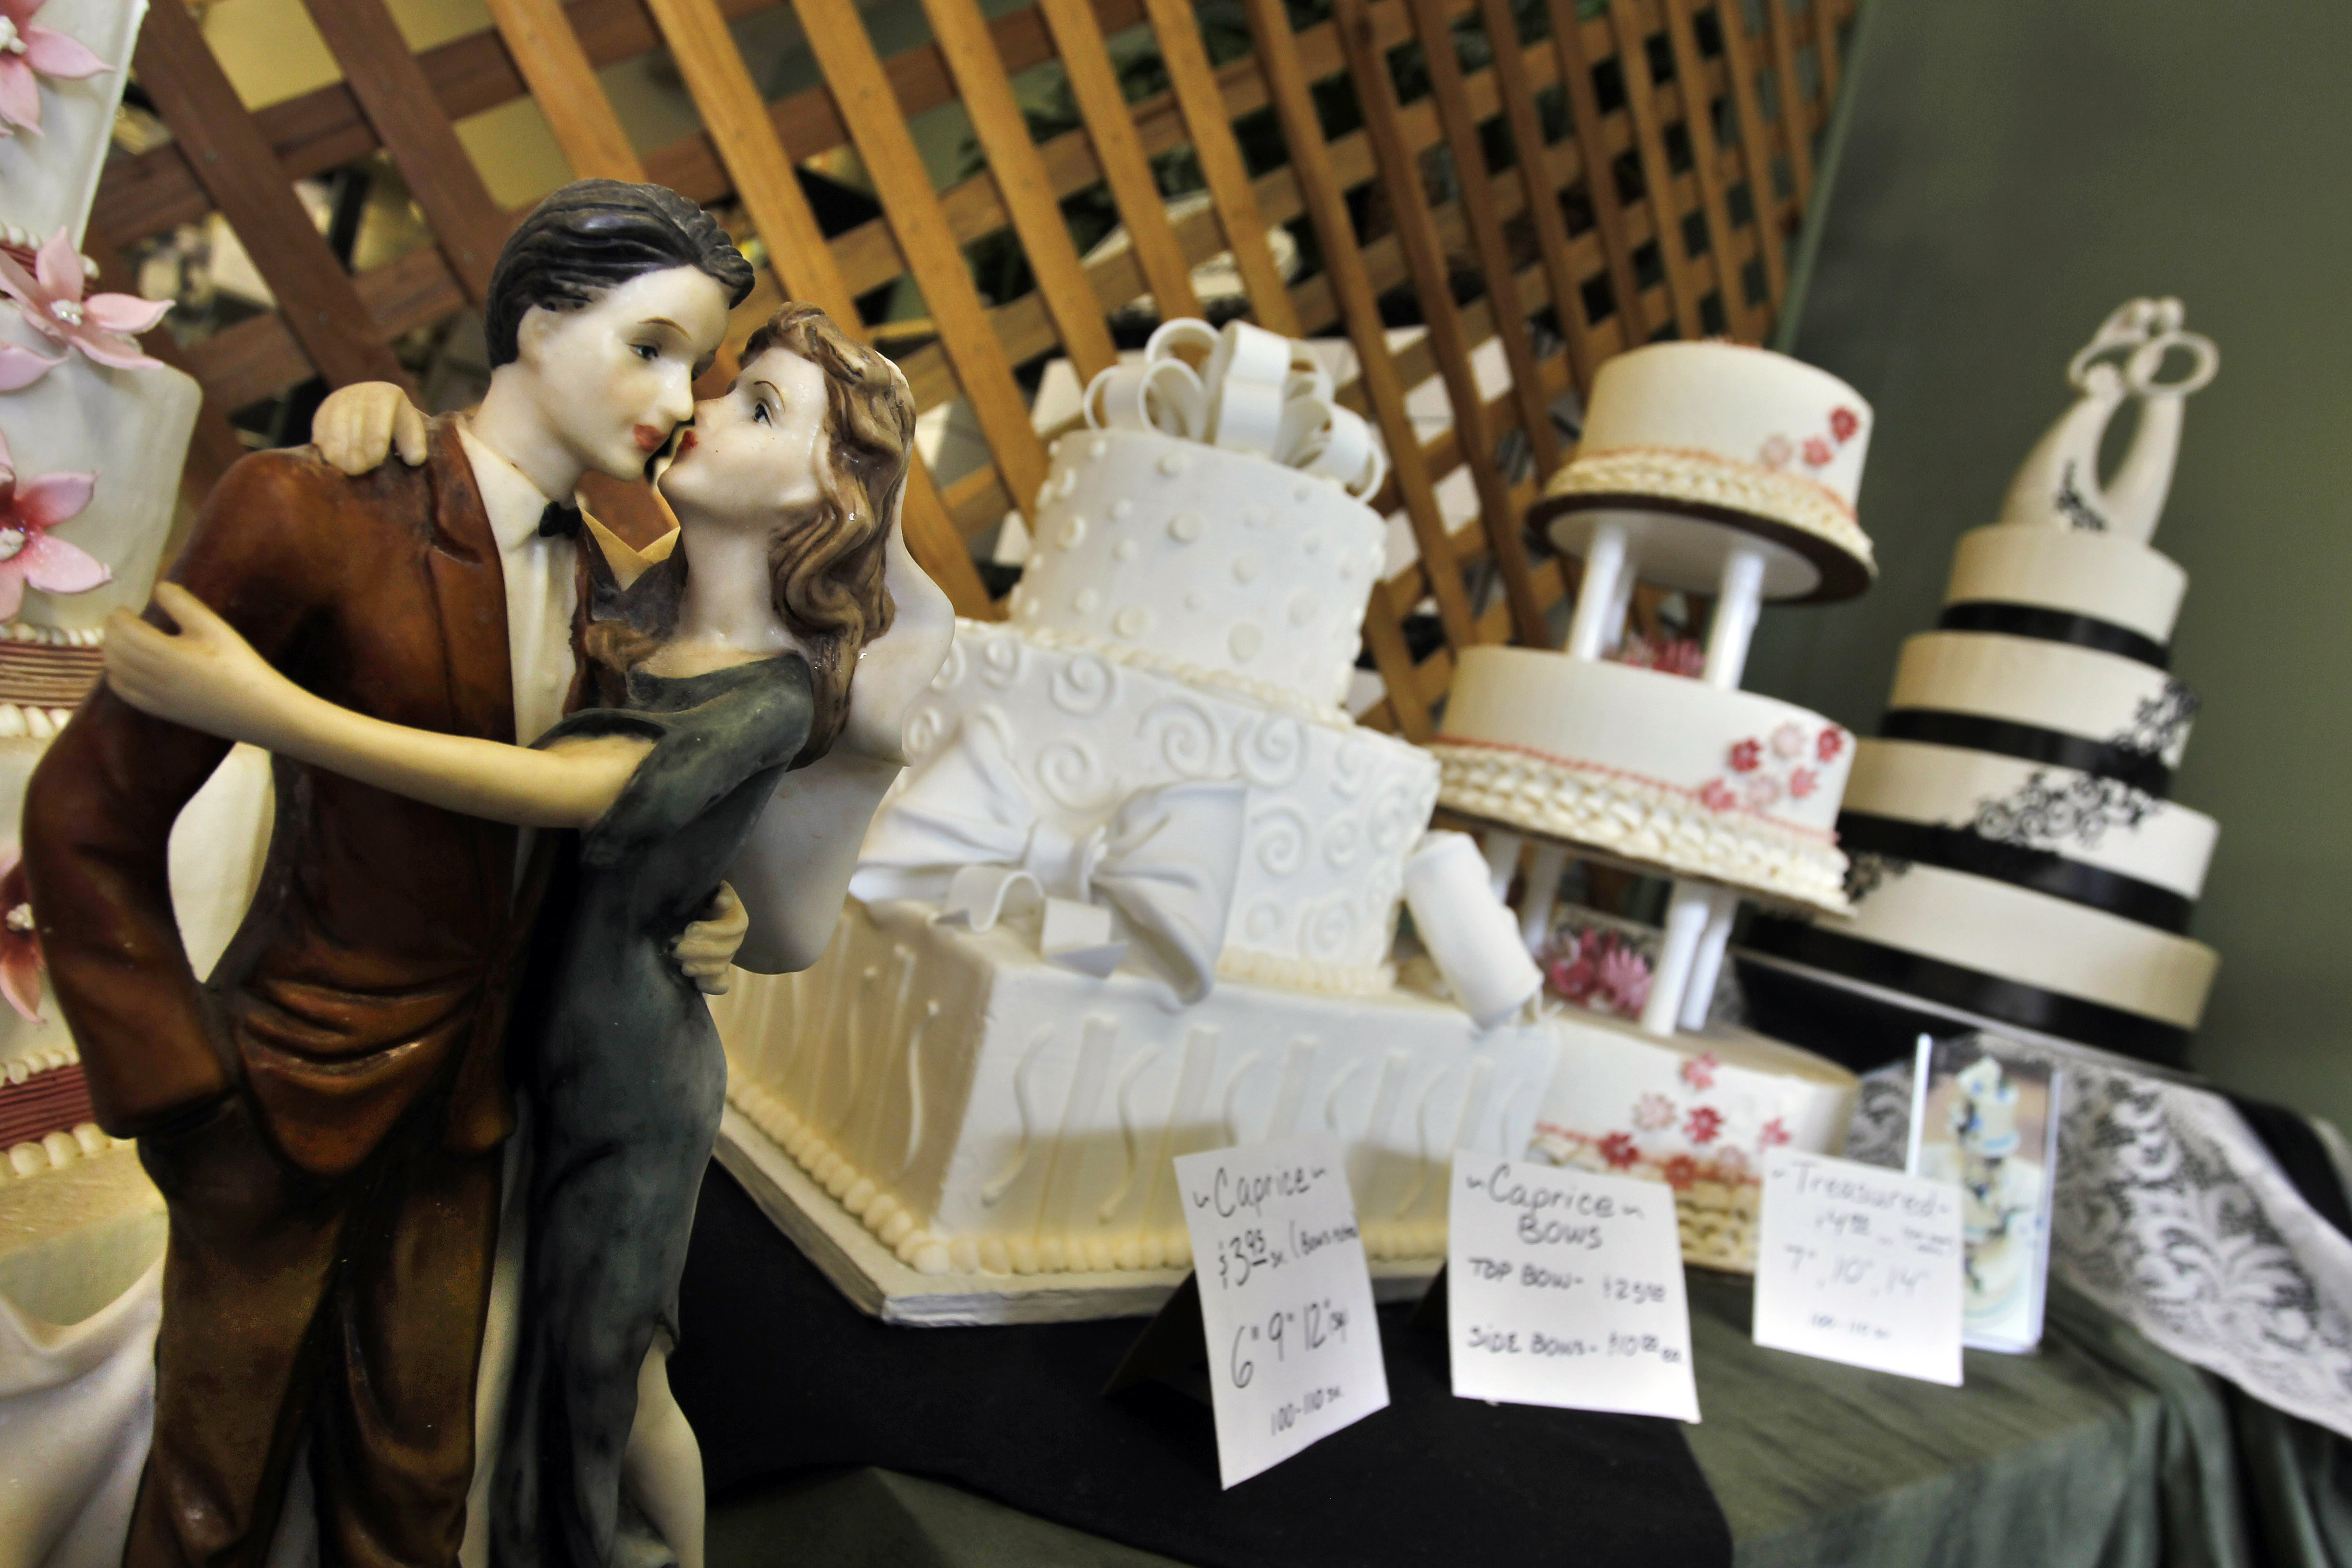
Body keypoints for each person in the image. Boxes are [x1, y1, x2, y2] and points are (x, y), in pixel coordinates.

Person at [103, 303, 951, 1568]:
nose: (703, 406)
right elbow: (484, 508)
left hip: (624, 1085)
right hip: (506, 1041)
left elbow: (568, 788)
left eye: (761, 408)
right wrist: (378, 423)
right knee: (501, 1357)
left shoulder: (770, 693)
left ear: (827, 494)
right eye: (727, 384)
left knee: (611, 1383)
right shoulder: (623, 597)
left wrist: (265, 709)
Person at [22, 180, 756, 1567]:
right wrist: (177, 1090)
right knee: (213, 1491)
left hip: (468, 1121)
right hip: (278, 1097)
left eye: (701, 367)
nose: (679, 400)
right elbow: (85, 816)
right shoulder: (315, 510)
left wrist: (683, 911)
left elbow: (568, 827)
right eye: (651, 346)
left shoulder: (615, 592)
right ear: (538, 322)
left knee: (416, 1492)